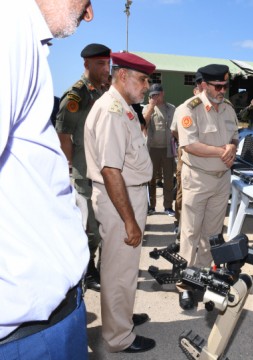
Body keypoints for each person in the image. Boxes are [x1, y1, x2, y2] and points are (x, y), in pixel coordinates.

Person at [0, 0, 93, 357]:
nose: (89, 14)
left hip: (47, 319)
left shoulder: (23, 34)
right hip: (26, 333)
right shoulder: (9, 25)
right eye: (86, 1)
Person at [84, 52, 156, 353]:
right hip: (120, 201)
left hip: (129, 195)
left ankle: (120, 319)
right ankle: (117, 338)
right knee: (118, 272)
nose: (147, 87)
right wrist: (129, 220)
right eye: (142, 80)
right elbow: (110, 170)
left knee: (124, 269)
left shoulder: (124, 108)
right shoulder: (113, 110)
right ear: (123, 76)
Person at [175, 64, 239, 310]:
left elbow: (234, 135)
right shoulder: (189, 109)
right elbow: (189, 145)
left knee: (212, 235)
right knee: (190, 233)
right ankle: (184, 284)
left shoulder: (228, 108)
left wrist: (232, 146)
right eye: (217, 86)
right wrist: (222, 151)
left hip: (221, 179)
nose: (222, 90)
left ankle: (202, 278)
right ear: (203, 85)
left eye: (225, 86)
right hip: (198, 178)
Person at [55, 43, 111, 292]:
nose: (105, 68)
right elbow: (64, 136)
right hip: (84, 172)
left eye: (107, 63)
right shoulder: (76, 96)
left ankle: (98, 267)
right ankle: (86, 271)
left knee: (104, 225)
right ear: (86, 64)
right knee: (91, 230)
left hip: (104, 172)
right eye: (100, 63)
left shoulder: (103, 93)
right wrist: (69, 168)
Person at [171, 71, 203, 243]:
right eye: (199, 88)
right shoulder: (183, 108)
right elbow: (174, 130)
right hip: (186, 154)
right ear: (195, 90)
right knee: (183, 190)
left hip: (205, 158)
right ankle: (180, 223)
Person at [143, 83, 177, 216]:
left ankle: (168, 206)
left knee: (168, 179)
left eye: (157, 94)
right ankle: (151, 206)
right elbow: (142, 124)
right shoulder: (147, 108)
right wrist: (151, 106)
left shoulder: (171, 108)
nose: (156, 97)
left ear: (162, 93)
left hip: (168, 148)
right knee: (150, 179)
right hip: (152, 149)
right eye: (152, 95)